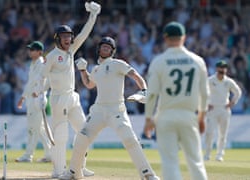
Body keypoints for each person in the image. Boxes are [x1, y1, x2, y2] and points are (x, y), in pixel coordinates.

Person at [59, 36, 159, 180]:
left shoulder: (118, 64)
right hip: (99, 110)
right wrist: (82, 70)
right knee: (81, 138)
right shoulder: (96, 69)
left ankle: (147, 174)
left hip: (116, 110)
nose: (105, 48)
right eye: (103, 46)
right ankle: (74, 172)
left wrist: (144, 90)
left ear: (112, 51)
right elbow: (89, 84)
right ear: (99, 49)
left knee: (130, 139)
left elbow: (136, 76)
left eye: (108, 47)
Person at [41, 1, 101, 178]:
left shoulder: (71, 51)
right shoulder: (52, 56)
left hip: (72, 97)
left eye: (69, 36)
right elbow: (41, 76)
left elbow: (84, 33)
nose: (68, 39)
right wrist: (40, 94)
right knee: (60, 136)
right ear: (57, 38)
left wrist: (93, 15)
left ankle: (79, 167)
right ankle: (58, 171)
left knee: (84, 132)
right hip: (59, 99)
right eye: (64, 36)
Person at [143, 21, 209, 180]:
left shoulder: (159, 61)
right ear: (184, 37)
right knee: (196, 161)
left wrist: (148, 119)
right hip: (189, 115)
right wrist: (202, 116)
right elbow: (205, 93)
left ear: (165, 38)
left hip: (166, 116)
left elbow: (151, 94)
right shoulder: (197, 61)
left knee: (170, 162)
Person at [15, 41, 52, 163]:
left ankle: (28, 155)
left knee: (33, 128)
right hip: (32, 99)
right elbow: (30, 82)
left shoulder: (42, 63)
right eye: (30, 49)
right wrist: (23, 97)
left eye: (32, 50)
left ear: (39, 52)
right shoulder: (33, 63)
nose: (29, 51)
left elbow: (46, 80)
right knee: (40, 129)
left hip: (38, 99)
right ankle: (50, 154)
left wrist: (38, 91)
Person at [204, 60, 242, 162]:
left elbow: (238, 92)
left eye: (224, 68)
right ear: (217, 69)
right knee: (209, 133)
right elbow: (202, 92)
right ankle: (207, 154)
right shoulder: (210, 80)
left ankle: (219, 155)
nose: (222, 70)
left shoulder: (228, 81)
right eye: (221, 67)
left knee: (222, 134)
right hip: (212, 110)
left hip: (224, 109)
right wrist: (206, 103)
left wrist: (232, 102)